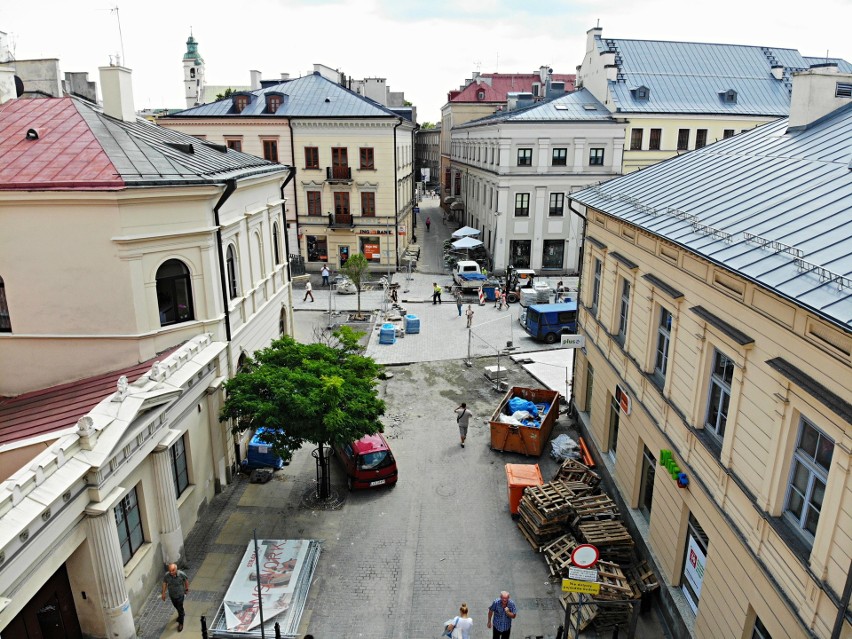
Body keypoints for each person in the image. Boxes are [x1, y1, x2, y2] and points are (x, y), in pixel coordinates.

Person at [162, 563, 189, 632]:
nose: (171, 572)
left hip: (180, 595)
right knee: (176, 606)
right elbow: (165, 583)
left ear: (176, 569)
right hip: (172, 595)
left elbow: (186, 580)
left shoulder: (181, 574)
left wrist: (186, 589)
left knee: (179, 607)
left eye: (173, 570)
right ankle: (182, 613)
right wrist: (163, 593)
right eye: (170, 571)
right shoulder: (167, 576)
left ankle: (181, 623)